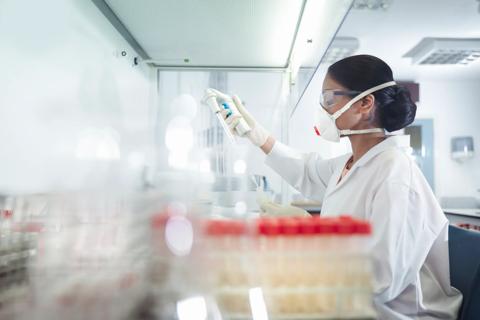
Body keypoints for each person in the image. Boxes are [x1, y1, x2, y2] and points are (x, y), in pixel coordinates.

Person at [214, 55, 463, 319]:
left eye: (330, 99)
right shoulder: (353, 163)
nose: (324, 109)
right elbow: (308, 172)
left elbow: (381, 280)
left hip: (392, 313)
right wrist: (258, 136)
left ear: (365, 103)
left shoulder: (394, 175)